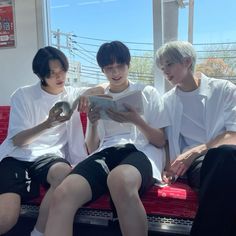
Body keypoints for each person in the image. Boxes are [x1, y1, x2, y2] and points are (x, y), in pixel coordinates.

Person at [44, 40, 170, 236]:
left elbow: (160, 140)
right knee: (62, 193)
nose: (115, 72)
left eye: (120, 66)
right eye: (109, 68)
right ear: (103, 70)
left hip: (141, 149)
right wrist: (92, 122)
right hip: (107, 151)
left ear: (128, 65)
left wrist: (137, 121)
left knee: (119, 179)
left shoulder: (147, 92)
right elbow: (92, 147)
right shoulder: (100, 97)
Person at [0, 46, 104, 236]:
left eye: (63, 71)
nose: (60, 77)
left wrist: (85, 95)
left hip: (49, 157)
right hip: (16, 156)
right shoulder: (22, 95)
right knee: (7, 217)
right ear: (41, 76)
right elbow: (18, 140)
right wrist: (47, 124)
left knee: (64, 174)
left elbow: (102, 88)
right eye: (52, 73)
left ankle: (38, 232)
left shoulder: (70, 94)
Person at [155, 40, 236, 235]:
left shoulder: (223, 89)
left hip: (223, 157)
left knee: (224, 156)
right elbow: (164, 139)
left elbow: (233, 134)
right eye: (161, 67)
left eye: (169, 64)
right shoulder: (167, 101)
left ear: (187, 61)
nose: (164, 71)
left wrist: (198, 149)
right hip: (195, 166)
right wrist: (167, 166)